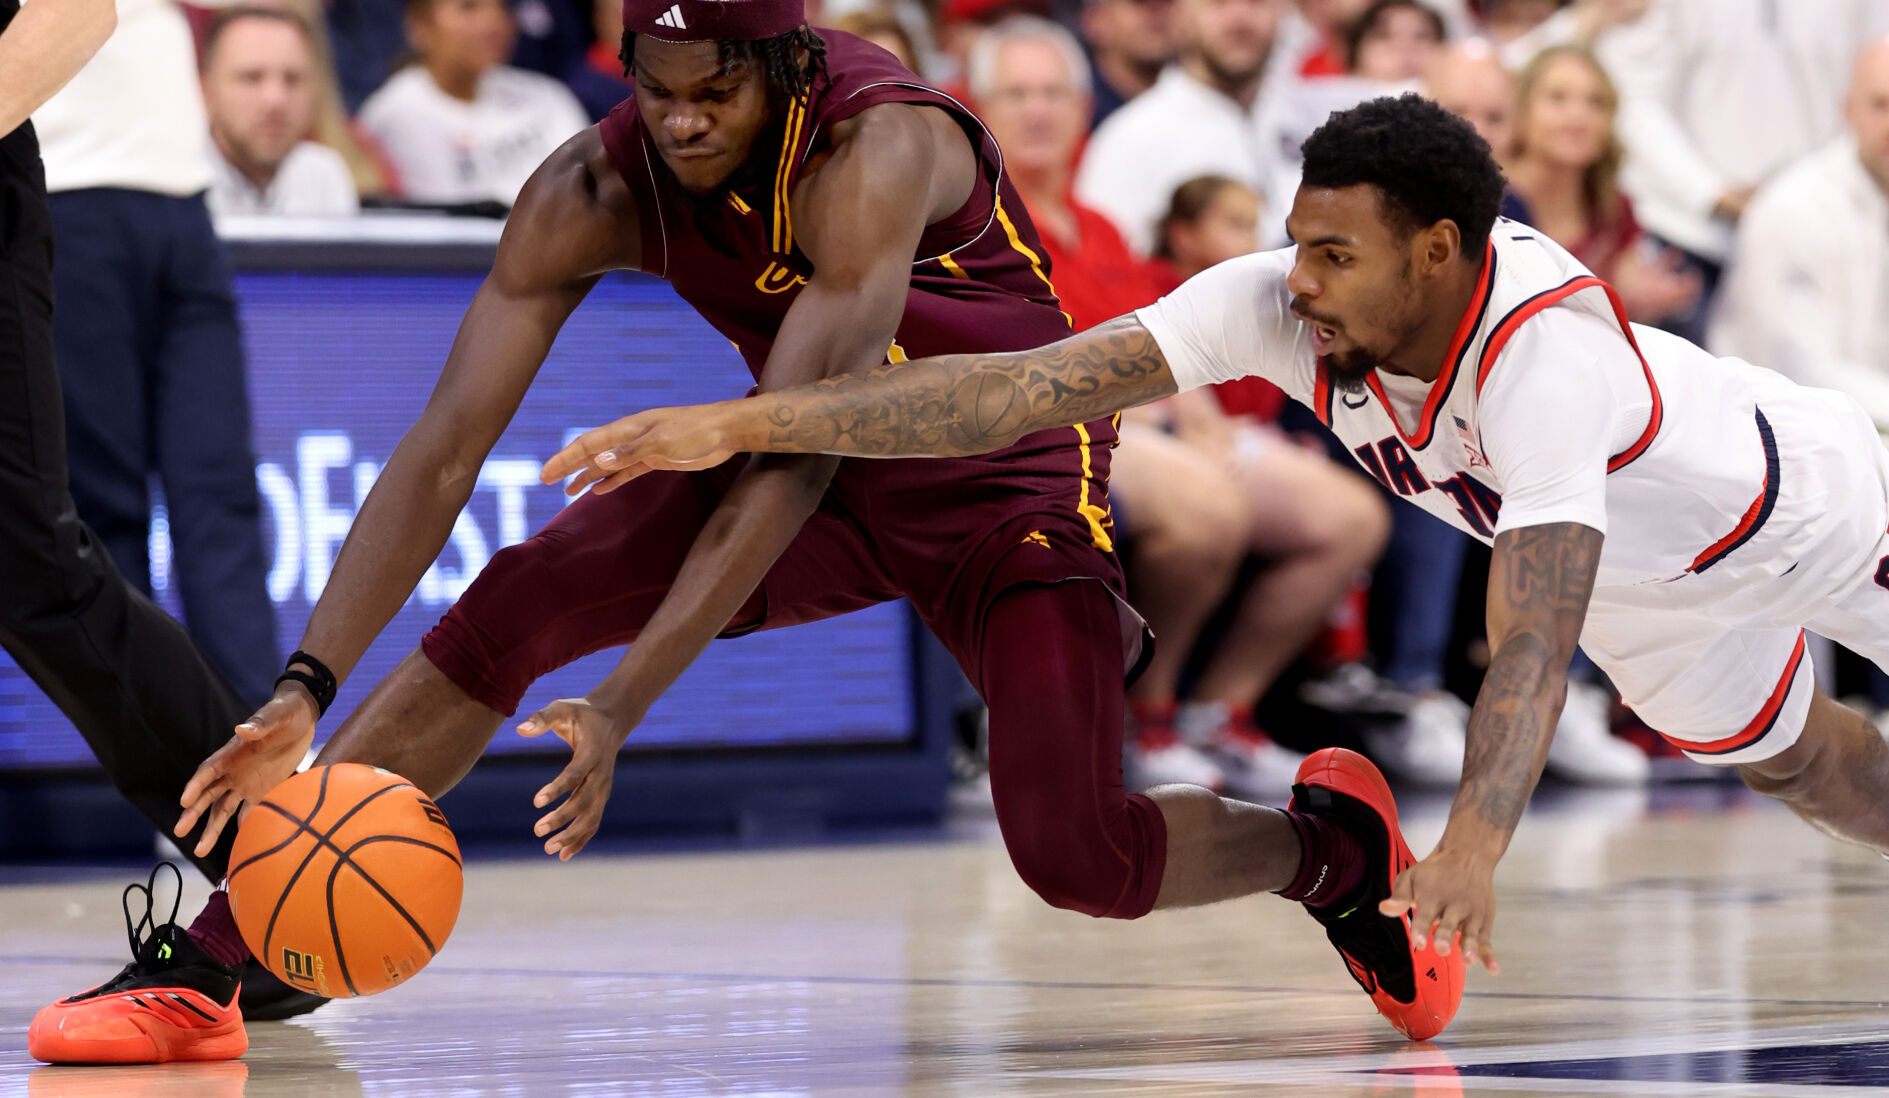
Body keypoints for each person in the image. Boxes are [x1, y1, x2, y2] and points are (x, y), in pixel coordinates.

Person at [30, 7, 1461, 1065]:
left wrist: (628, 701)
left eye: (715, 93)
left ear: (784, 74)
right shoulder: (595, 183)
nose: (684, 125)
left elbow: (801, 434)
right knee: (518, 597)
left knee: (1075, 852)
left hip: (998, 463)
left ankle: (1327, 851)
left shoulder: (878, 143)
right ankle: (221, 960)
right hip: (795, 447)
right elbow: (441, 447)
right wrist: (304, 686)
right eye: (656, 96)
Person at [576, 92, 1889, 981]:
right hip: (1653, 595)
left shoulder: (1539, 355)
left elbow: (1533, 627)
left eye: (1333, 253)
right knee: (1810, 771)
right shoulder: (1281, 305)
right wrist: (753, 424)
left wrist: (1476, 841)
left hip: (1817, 505)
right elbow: (1013, 390)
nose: (1297, 277)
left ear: (1436, 253)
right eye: (1294, 240)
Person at [0, 0, 319, 1033]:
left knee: (69, 551)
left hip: (124, 193)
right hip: (101, 204)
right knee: (75, 544)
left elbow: (75, 8)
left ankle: (267, 860)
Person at [36, 0, 282, 709]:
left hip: (183, 205)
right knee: (106, 511)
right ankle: (156, 766)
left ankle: (260, 754)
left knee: (222, 492)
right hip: (70, 203)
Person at [1596, 0, 1889, 342]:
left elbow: (1874, 76)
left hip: (1825, 226)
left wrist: (1810, 194)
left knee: (1820, 375)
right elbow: (1633, 92)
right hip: (1688, 236)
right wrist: (1709, 192)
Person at [1712, 38, 1889, 432]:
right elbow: (1803, 371)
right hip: (1778, 441)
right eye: (1881, 105)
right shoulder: (1793, 208)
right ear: (1849, 110)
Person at [1075, 0, 1292, 254]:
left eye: (1257, 3)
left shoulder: (1320, 112)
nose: (1240, 19)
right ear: (1179, 16)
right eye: (1218, 4)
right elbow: (1107, 275)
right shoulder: (1130, 138)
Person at [1505, 45, 1699, 326]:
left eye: (1595, 102)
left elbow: (1627, 298)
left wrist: (1643, 303)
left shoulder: (1614, 207)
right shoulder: (1490, 200)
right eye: (1558, 98)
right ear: (1521, 113)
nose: (1578, 116)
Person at [357, 0, 590, 207]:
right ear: (418, 25)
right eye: (468, 7)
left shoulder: (548, 96)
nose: (493, 22)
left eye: (502, 6)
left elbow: (590, 195)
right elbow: (449, 225)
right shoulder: (398, 112)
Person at [202, 6, 360, 217]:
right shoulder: (172, 182)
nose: (275, 100)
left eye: (292, 79)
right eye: (251, 78)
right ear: (206, 90)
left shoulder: (324, 175)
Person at [1079, 0, 1177, 127]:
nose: (1156, 10)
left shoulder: (1198, 104)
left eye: (1167, 1)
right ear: (1095, 19)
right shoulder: (1079, 116)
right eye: (1138, 2)